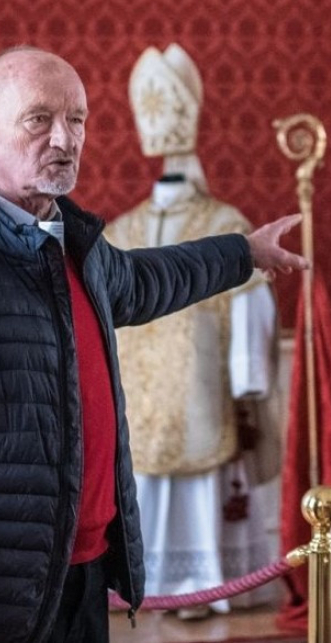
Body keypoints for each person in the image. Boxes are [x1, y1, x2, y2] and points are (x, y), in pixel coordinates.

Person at [0, 44, 307, 643]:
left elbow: (144, 280)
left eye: (76, 119)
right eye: (38, 119)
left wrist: (243, 253)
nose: (64, 138)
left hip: (81, 567)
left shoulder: (69, 239)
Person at [104, 44, 282, 620]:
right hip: (145, 394)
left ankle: (202, 584)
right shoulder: (120, 229)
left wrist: (247, 382)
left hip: (197, 389)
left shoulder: (224, 224)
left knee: (196, 469)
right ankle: (151, 584)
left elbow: (249, 302)